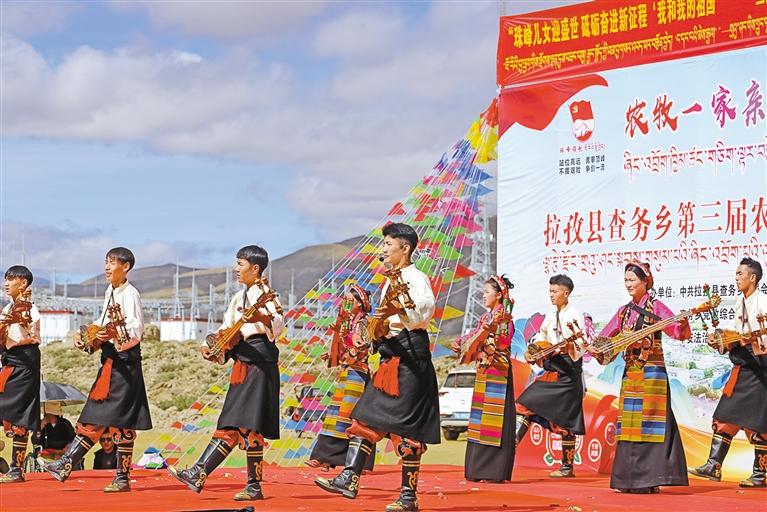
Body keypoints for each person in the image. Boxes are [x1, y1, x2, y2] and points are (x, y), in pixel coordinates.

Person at [315, 222, 439, 512]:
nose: (382, 249)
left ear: (404, 248)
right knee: (365, 417)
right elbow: (385, 323)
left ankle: (408, 497)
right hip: (390, 359)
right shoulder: (389, 282)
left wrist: (401, 311)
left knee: (409, 432)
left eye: (387, 244)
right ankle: (349, 478)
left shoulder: (416, 278)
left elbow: (424, 312)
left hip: (411, 361)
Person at [168, 245, 284, 501]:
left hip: (260, 364)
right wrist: (210, 346)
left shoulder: (266, 294)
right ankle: (214, 477)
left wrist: (263, 319)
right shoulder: (238, 298)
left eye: (240, 264)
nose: (236, 269)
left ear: (255, 268)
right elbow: (227, 328)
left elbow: (278, 325)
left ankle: (208, 474)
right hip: (242, 363)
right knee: (236, 423)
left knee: (247, 424)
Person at [43, 247, 152, 493]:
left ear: (126, 266)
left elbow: (135, 331)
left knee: (115, 421)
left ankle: (80, 468)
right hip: (111, 364)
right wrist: (87, 335)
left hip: (125, 366)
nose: (106, 267)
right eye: (105, 262)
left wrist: (110, 335)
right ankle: (73, 466)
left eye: (112, 262)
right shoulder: (110, 292)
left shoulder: (130, 294)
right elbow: (103, 324)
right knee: (104, 418)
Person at [590, 261, 691, 494]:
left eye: (632, 280)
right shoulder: (623, 311)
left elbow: (677, 332)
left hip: (653, 373)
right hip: (631, 373)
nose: (628, 284)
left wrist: (683, 324)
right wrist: (595, 349)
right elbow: (605, 337)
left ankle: (649, 480)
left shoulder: (657, 307)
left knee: (650, 424)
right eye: (626, 280)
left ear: (645, 281)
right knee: (629, 425)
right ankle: (627, 480)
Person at [688, 257, 767, 488]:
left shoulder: (763, 302)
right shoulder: (740, 302)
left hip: (761, 369)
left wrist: (748, 340)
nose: (736, 278)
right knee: (724, 416)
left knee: (759, 423)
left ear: (753, 277)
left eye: (740, 274)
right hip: (743, 367)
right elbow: (735, 333)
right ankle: (713, 465)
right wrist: (722, 340)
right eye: (736, 274)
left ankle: (760, 474)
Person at [515, 274, 587, 478]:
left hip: (569, 373)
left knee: (566, 421)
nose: (552, 295)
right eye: (550, 291)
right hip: (551, 370)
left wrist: (567, 347)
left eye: (555, 291)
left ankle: (567, 467)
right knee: (525, 404)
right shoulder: (550, 315)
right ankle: (512, 444)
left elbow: (581, 344)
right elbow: (541, 338)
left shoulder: (574, 315)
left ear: (566, 292)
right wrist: (533, 351)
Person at [451, 275, 515, 483]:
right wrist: (461, 342)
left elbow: (503, 343)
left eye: (487, 292)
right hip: (484, 371)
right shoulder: (486, 317)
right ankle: (477, 469)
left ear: (499, 295)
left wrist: (489, 334)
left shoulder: (504, 318)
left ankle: (492, 471)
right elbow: (474, 335)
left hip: (498, 372)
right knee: (480, 420)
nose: (483, 295)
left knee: (493, 421)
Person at [306, 285, 375, 471]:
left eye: (349, 301)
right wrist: (333, 356)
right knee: (335, 415)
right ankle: (325, 457)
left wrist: (355, 351)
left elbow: (368, 345)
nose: (345, 303)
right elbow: (345, 346)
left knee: (348, 416)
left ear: (359, 304)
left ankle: (354, 461)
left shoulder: (364, 323)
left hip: (358, 373)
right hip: (346, 372)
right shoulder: (348, 323)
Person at [0, 265, 41, 484]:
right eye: (5, 279)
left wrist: (10, 335)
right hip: (9, 363)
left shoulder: (29, 308)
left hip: (25, 364)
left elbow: (34, 337)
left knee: (21, 415)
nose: (6, 283)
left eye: (11, 279)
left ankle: (16, 469)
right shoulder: (8, 308)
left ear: (23, 283)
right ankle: (14, 468)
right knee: (12, 413)